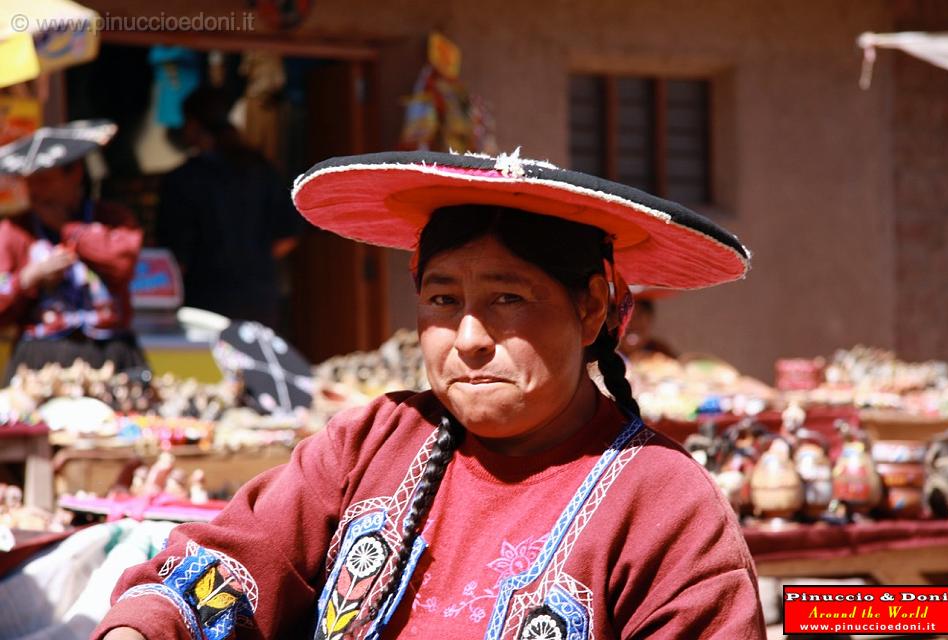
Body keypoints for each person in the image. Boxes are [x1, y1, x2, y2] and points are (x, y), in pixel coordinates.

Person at [96, 151, 764, 639]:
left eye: (508, 298)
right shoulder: (373, 442)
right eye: (442, 300)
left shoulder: (663, 503)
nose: (467, 338)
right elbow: (229, 565)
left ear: (591, 309)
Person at [0, 121, 145, 383]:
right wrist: (28, 279)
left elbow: (121, 264)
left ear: (75, 173)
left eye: (44, 180)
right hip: (40, 361)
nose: (35, 191)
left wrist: (71, 230)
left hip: (110, 354)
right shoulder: (14, 231)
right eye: (29, 182)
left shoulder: (113, 219)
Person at [156, 86, 304, 329]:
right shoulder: (262, 169)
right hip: (259, 296)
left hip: (206, 301)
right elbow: (288, 234)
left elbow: (175, 257)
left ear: (193, 125)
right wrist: (254, 260)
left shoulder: (183, 179)